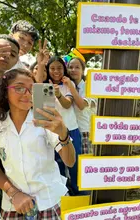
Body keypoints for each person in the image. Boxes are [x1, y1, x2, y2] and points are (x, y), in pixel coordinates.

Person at [0, 68, 75, 219]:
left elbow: (69, 161)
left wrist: (63, 133)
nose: (27, 94)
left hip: (49, 201)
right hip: (13, 206)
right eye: (19, 87)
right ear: (5, 91)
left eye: (32, 89)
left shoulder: (46, 121)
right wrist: (14, 194)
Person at [45, 56, 82, 195]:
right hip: (53, 132)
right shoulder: (43, 85)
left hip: (71, 129)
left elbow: (67, 104)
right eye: (52, 68)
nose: (56, 71)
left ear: (64, 69)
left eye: (59, 68)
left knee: (74, 165)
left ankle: (79, 193)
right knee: (58, 165)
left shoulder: (68, 83)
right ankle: (63, 194)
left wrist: (58, 94)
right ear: (47, 70)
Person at [65, 57, 93, 154]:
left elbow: (81, 105)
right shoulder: (64, 87)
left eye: (77, 67)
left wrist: (70, 86)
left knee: (83, 164)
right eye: (70, 67)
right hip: (69, 131)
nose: (73, 70)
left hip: (83, 131)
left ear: (82, 70)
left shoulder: (89, 87)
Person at [0, 34, 20, 108]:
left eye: (12, 54)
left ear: (16, 61)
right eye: (2, 50)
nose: (6, 55)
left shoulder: (10, 87)